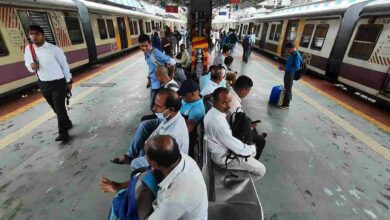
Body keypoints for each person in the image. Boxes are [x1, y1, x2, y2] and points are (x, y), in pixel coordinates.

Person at [101, 135, 208, 220]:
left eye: (145, 156)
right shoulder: (179, 158)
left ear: (154, 163)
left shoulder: (174, 199)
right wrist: (119, 186)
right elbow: (146, 174)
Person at [111, 89, 189, 170]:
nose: (154, 109)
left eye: (158, 106)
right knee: (144, 128)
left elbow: (161, 161)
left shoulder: (172, 135)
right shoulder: (170, 116)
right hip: (158, 150)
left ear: (171, 109)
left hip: (166, 162)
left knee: (135, 163)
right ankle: (130, 156)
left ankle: (145, 180)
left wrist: (146, 150)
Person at [204, 88, 266, 180]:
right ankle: (238, 181)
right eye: (224, 103)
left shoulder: (211, 113)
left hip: (220, 149)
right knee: (261, 169)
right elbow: (237, 148)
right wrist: (252, 149)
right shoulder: (218, 123)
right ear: (214, 101)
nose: (228, 106)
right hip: (223, 158)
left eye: (229, 102)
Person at [24, 25, 73, 142]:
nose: (33, 36)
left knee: (59, 109)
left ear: (43, 35)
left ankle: (63, 133)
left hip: (58, 83)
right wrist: (31, 67)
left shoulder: (54, 49)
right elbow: (27, 63)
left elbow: (64, 66)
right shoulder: (28, 49)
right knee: (55, 108)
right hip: (43, 83)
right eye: (31, 34)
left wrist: (69, 81)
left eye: (36, 34)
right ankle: (67, 122)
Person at [227, 75, 266, 159]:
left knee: (249, 120)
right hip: (234, 133)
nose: (248, 93)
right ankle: (253, 160)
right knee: (261, 140)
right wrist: (250, 127)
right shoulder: (236, 106)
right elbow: (239, 129)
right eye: (248, 91)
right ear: (242, 90)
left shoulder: (229, 91)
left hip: (230, 123)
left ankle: (255, 133)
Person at [138, 34, 176, 110]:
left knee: (155, 107)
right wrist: (149, 80)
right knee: (153, 105)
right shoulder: (146, 53)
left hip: (160, 84)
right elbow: (151, 67)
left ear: (150, 44)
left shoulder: (156, 53)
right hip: (153, 82)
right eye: (141, 46)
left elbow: (173, 62)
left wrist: (171, 77)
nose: (144, 48)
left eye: (146, 46)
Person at [279, 42, 302, 109]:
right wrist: (283, 67)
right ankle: (287, 99)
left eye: (288, 50)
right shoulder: (291, 54)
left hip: (291, 74)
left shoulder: (296, 55)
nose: (288, 51)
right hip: (287, 72)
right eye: (287, 50)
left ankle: (286, 105)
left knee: (288, 88)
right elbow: (289, 63)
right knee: (286, 87)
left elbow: (297, 67)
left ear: (292, 48)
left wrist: (285, 68)